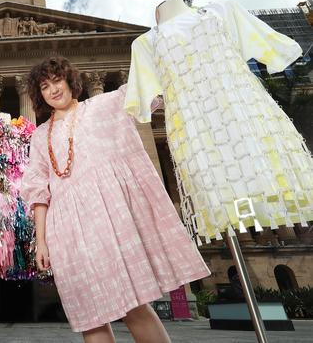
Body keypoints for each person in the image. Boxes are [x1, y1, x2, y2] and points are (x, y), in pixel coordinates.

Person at [21, 56, 210, 343]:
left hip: (109, 219)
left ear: (69, 80)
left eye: (57, 80)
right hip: (68, 231)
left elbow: (146, 92)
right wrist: (42, 241)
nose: (54, 90)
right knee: (90, 318)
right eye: (45, 86)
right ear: (40, 95)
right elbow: (37, 191)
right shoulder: (39, 136)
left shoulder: (103, 105)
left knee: (133, 305)